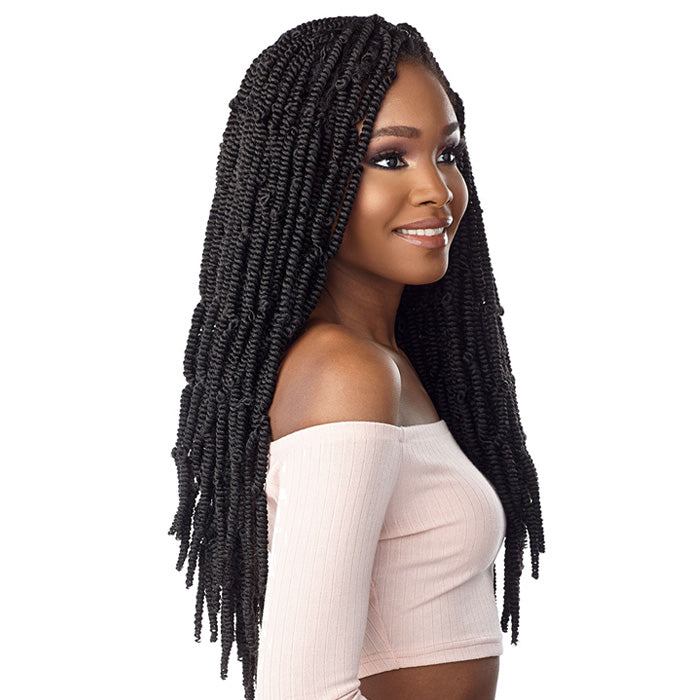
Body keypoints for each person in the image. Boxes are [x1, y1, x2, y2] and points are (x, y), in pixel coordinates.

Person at [168, 15, 545, 700]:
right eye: (390, 158)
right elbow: (301, 692)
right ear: (302, 178)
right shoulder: (348, 373)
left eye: (447, 153)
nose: (437, 189)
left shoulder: (389, 361)